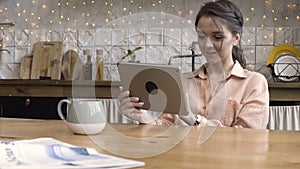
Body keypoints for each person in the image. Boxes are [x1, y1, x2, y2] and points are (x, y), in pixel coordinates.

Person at [118, 0, 269, 129]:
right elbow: (165, 128)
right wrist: (144, 117)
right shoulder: (183, 81)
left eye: (217, 37)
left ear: (236, 38)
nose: (207, 45)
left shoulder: (254, 83)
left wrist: (193, 119)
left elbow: (248, 138)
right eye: (202, 36)